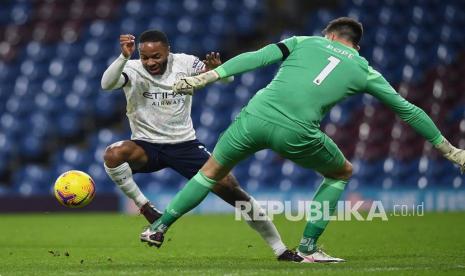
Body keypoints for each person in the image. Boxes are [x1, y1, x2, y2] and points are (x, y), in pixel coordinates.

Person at [143, 18, 465, 263]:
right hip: (296, 131)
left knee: (209, 172)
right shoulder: (365, 70)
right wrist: (450, 151)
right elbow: (408, 111)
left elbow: (257, 57)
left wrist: (205, 78)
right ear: (354, 45)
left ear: (330, 35)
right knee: (341, 172)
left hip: (254, 116)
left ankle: (159, 226)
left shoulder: (303, 41)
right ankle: (309, 248)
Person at [100, 30, 298, 261]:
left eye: (156, 56)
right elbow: (107, 84)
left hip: (184, 145)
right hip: (146, 144)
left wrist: (217, 69)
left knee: (233, 190)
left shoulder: (185, 62)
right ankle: (145, 207)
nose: (150, 62)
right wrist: (124, 57)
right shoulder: (132, 68)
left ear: (168, 51)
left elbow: (226, 79)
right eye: (145, 57)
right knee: (113, 154)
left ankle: (280, 249)